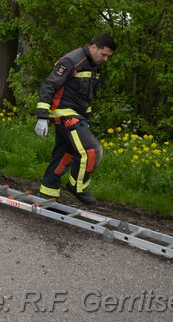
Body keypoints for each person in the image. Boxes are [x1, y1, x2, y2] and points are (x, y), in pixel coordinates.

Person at [34, 33, 117, 206]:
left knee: (65, 154)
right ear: (93, 47)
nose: (105, 59)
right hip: (64, 113)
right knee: (92, 151)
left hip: (77, 115)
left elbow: (85, 95)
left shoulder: (94, 65)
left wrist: (86, 117)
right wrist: (42, 116)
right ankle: (77, 187)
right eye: (104, 54)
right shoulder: (72, 61)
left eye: (108, 56)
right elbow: (49, 85)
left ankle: (47, 192)